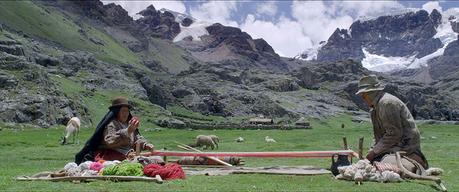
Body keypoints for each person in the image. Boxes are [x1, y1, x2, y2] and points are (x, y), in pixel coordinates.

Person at [356, 75, 428, 173]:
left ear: (371, 93)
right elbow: (379, 135)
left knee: (383, 165)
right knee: (373, 162)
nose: (363, 99)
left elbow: (394, 133)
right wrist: (373, 150)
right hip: (392, 147)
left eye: (364, 96)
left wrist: (374, 152)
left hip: (405, 147)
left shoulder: (387, 103)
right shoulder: (376, 108)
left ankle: (413, 161)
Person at [75, 96, 154, 164]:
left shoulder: (129, 124)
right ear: (117, 112)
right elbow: (110, 141)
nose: (125, 114)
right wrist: (127, 132)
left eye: (127, 111)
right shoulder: (111, 124)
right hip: (112, 154)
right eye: (123, 111)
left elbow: (137, 138)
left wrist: (145, 144)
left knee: (154, 160)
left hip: (129, 153)